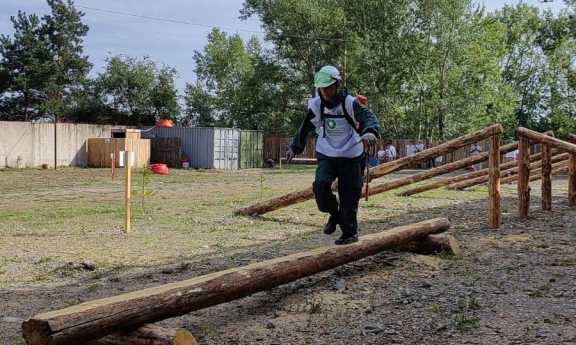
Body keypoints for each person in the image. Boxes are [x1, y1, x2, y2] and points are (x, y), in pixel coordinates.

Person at [286, 65, 380, 245]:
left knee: (349, 198)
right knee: (320, 187)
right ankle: (334, 214)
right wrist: (295, 147)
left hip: (351, 155)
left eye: (328, 87)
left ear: (337, 85)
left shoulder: (349, 103)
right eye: (322, 88)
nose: (325, 92)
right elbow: (305, 126)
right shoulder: (317, 105)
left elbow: (368, 117)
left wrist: (370, 132)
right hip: (327, 154)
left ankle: (349, 233)